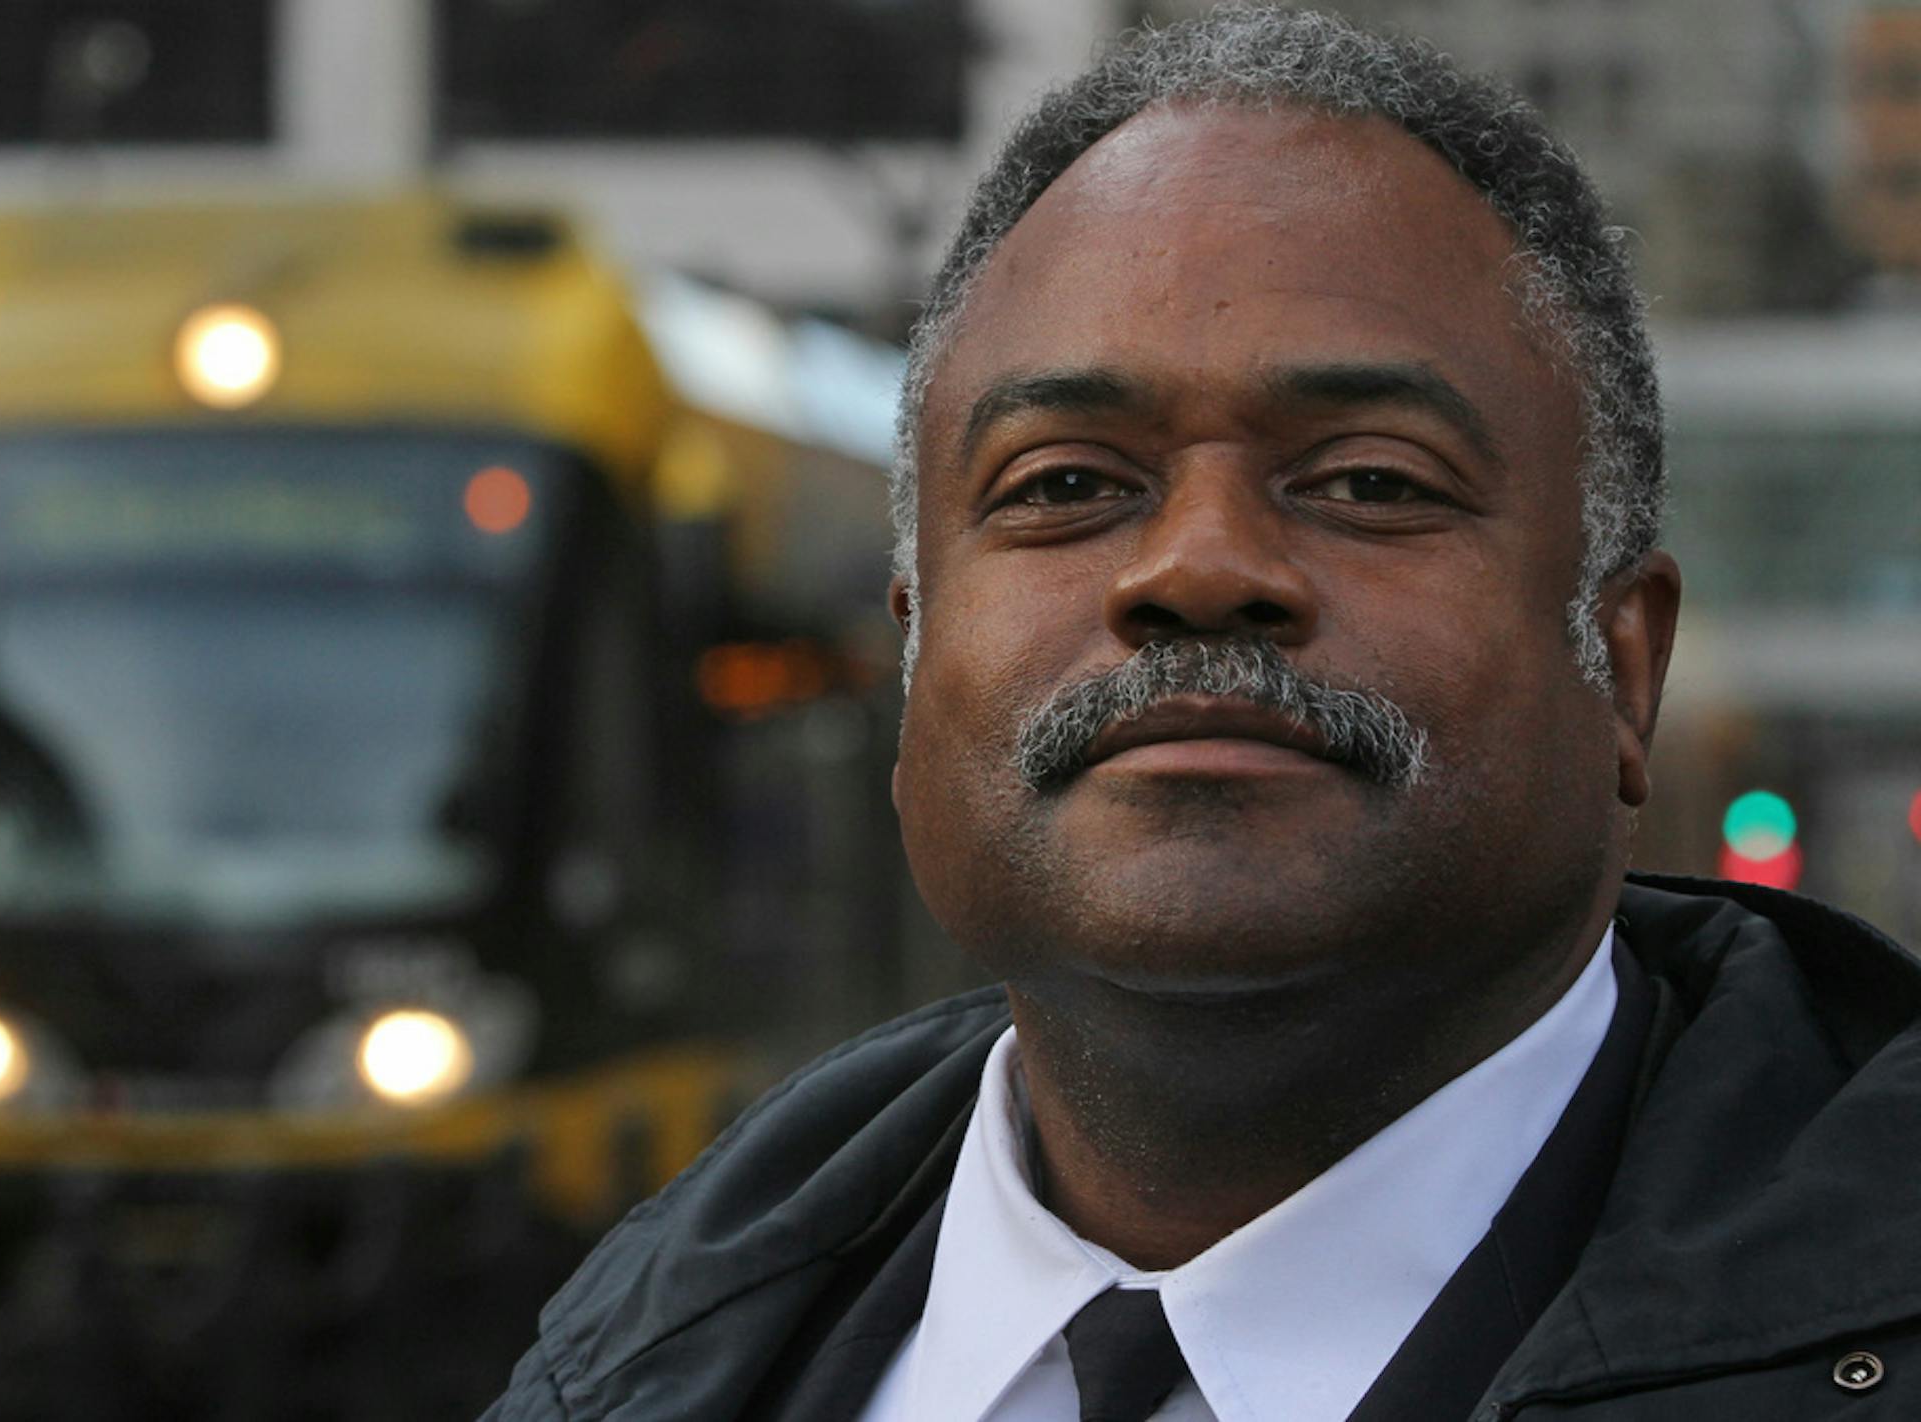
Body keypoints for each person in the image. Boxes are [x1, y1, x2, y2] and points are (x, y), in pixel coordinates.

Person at [485, 8, 1921, 1420]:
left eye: (1369, 480)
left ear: (1622, 663)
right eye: (1064, 484)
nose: (1199, 567)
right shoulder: (621, 1372)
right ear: (915, 659)